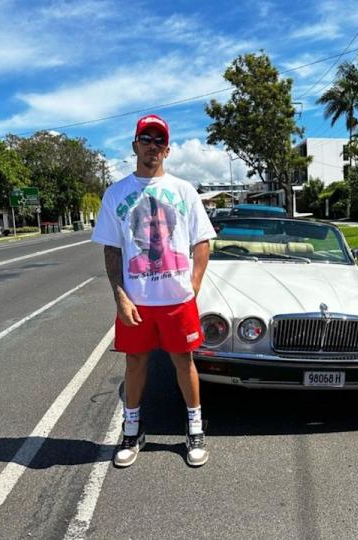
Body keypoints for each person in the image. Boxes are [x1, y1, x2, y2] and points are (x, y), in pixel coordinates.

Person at [90, 114, 216, 468]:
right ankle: (132, 430)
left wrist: (193, 284)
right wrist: (119, 295)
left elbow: (202, 240)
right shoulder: (116, 194)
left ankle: (194, 429)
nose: (152, 146)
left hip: (177, 301)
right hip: (138, 301)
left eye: (158, 141)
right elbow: (112, 249)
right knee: (135, 362)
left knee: (183, 361)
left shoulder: (183, 191)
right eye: (146, 139)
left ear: (167, 149)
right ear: (134, 146)